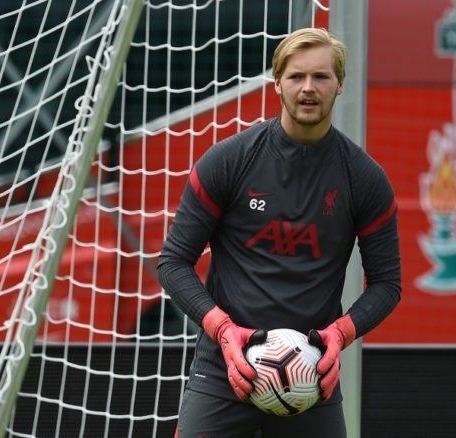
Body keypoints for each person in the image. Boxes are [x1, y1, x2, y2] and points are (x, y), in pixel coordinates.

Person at [158, 27, 401, 438]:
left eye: (321, 77)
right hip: (224, 369)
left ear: (340, 84)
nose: (309, 88)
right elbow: (173, 262)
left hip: (312, 377)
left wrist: (340, 334)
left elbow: (388, 284)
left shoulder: (364, 179)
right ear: (277, 84)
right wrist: (222, 329)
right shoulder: (228, 161)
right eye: (297, 77)